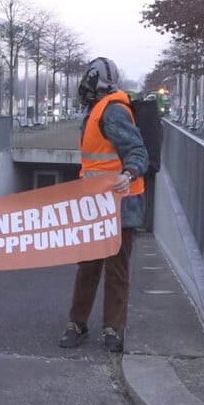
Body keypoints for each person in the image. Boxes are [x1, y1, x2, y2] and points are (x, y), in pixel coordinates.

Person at [58, 57, 149, 353]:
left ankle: (111, 328)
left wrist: (128, 173)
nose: (84, 82)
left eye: (89, 77)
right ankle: (79, 323)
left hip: (121, 206)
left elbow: (137, 151)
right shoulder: (98, 110)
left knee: (115, 269)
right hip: (97, 205)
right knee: (88, 267)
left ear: (99, 80)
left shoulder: (113, 111)